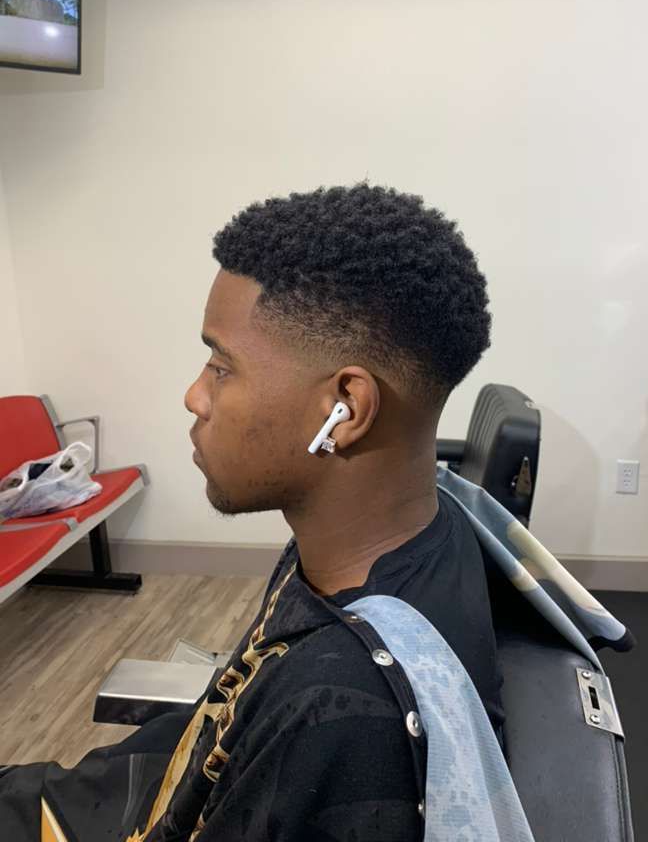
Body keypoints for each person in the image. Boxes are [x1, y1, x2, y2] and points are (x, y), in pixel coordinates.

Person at [0, 181, 501, 841]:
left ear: (343, 408)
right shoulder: (420, 539)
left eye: (221, 367)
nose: (193, 396)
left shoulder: (343, 717)